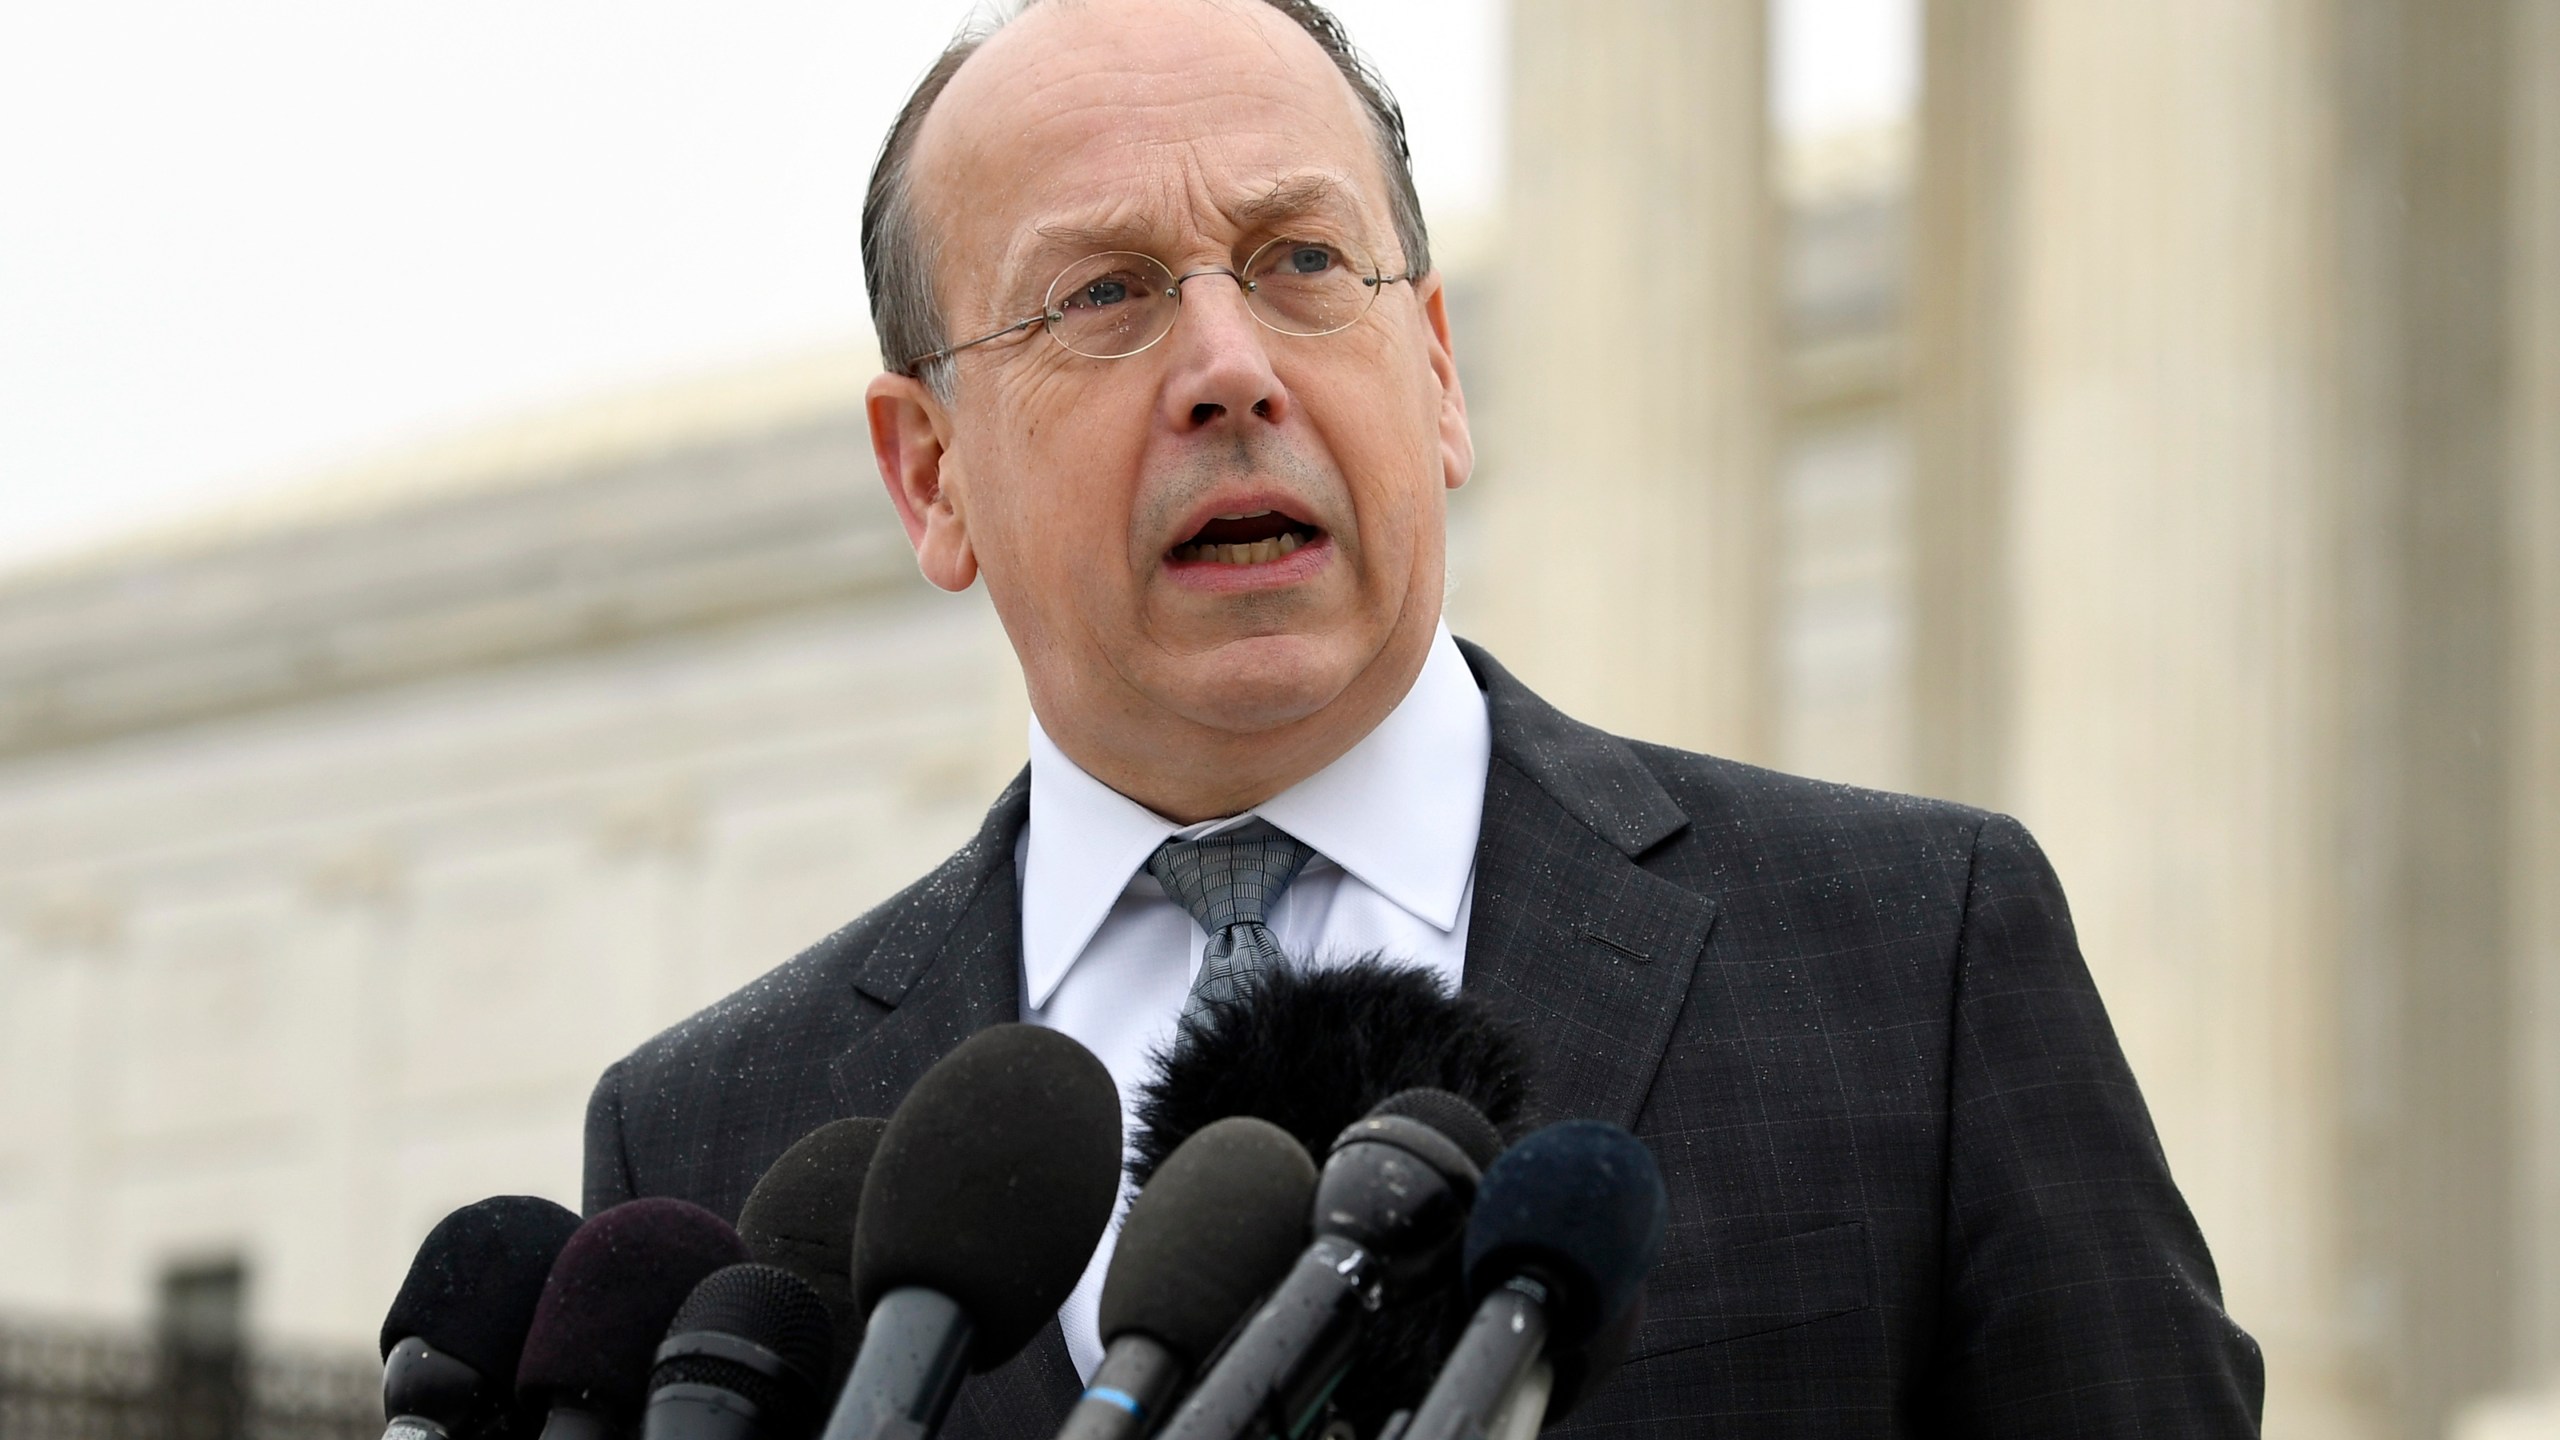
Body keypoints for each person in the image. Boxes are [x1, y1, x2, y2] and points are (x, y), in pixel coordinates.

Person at [581, 1, 2265, 1434]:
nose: (1230, 367)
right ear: (930, 473)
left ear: (1440, 369)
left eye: (1303, 261)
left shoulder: (1914, 961)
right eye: (1103, 294)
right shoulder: (710, 1138)